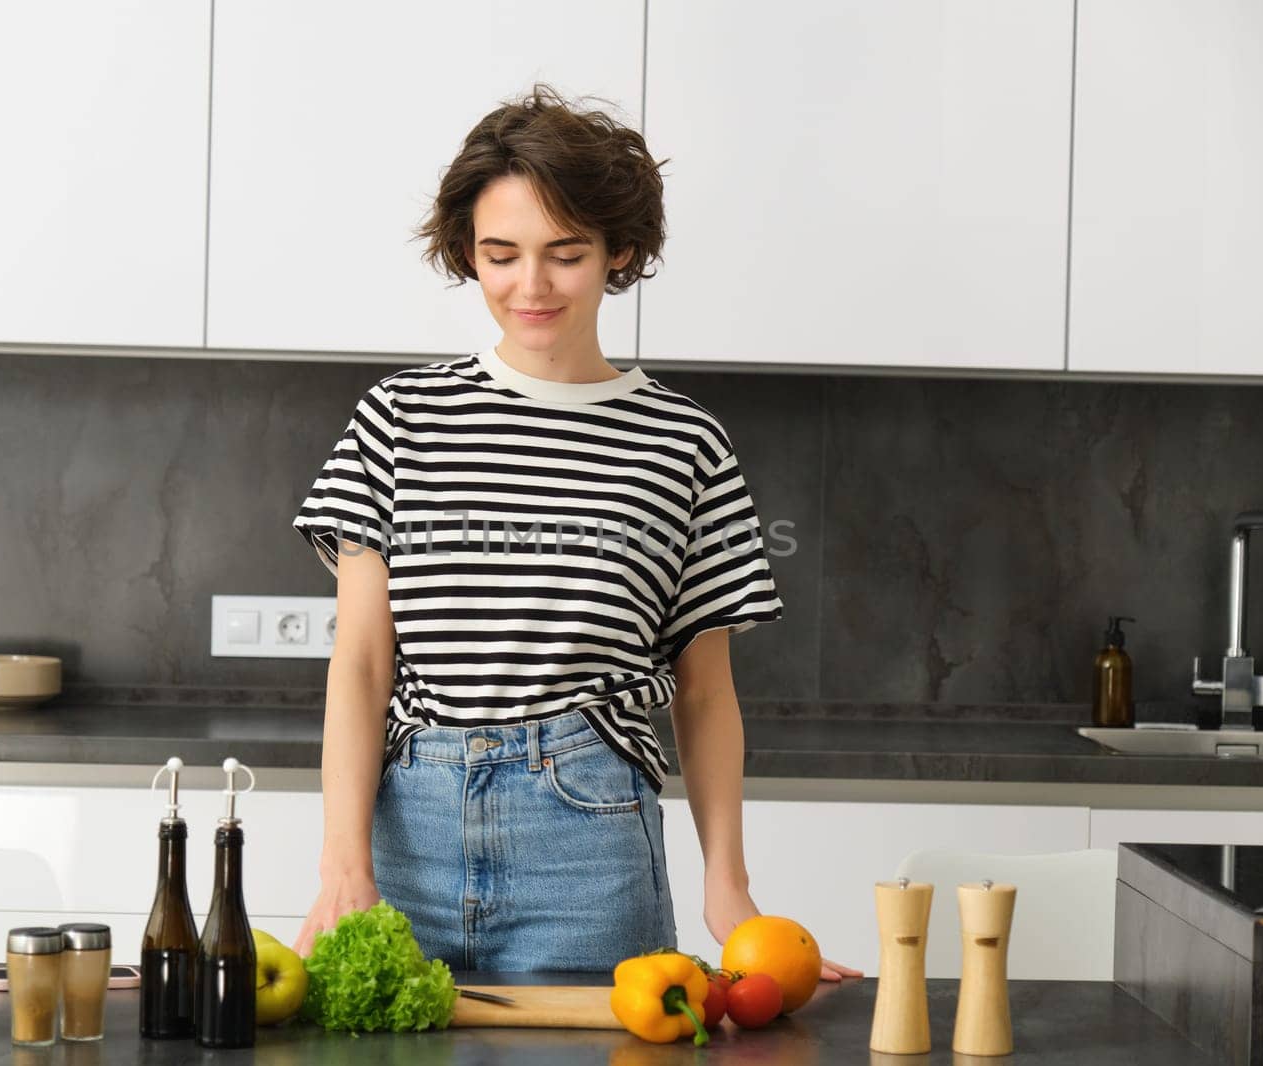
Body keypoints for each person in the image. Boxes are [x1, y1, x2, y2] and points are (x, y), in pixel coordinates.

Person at [291, 83, 860, 981]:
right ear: (468, 256)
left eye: (565, 253)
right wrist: (342, 866)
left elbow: (704, 692)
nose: (531, 285)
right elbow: (362, 661)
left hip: (590, 839)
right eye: (500, 254)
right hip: (412, 831)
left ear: (618, 253)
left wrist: (730, 891)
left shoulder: (684, 442)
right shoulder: (399, 416)